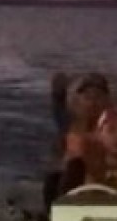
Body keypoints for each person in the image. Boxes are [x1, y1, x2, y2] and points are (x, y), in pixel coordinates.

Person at [46, 71, 111, 204]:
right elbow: (59, 111)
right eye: (87, 97)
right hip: (73, 186)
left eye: (98, 97)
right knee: (54, 178)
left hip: (103, 184)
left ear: (106, 101)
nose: (93, 103)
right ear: (78, 102)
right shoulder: (70, 126)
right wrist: (58, 92)